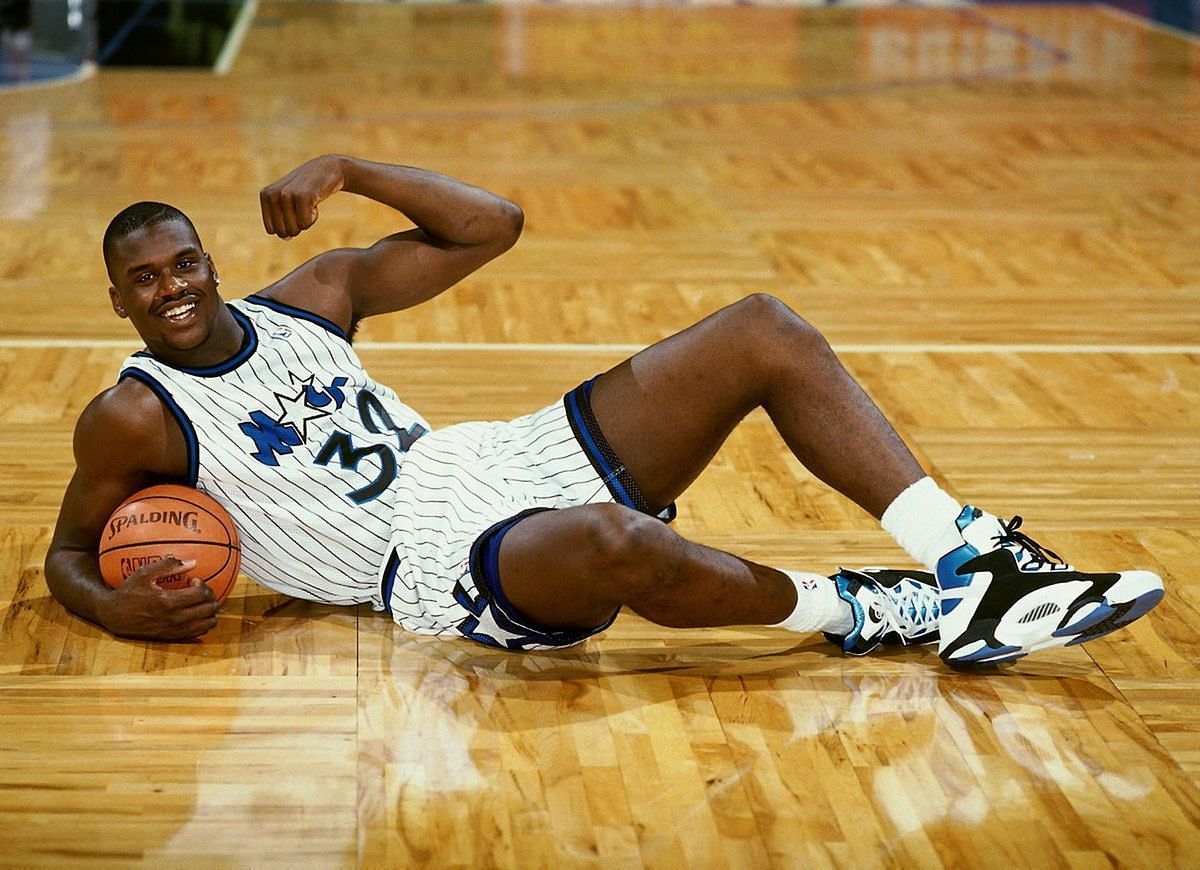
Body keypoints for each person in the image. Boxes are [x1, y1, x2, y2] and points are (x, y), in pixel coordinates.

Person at [44, 154, 1164, 666]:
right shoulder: (134, 417)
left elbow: (494, 225)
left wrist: (350, 168)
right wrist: (110, 608)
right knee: (617, 544)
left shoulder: (312, 298)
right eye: (146, 281)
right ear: (118, 300)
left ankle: (971, 565)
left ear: (209, 259)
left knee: (762, 327)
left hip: (488, 460)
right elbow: (62, 554)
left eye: (185, 263)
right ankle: (870, 611)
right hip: (426, 566)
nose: (174, 288)